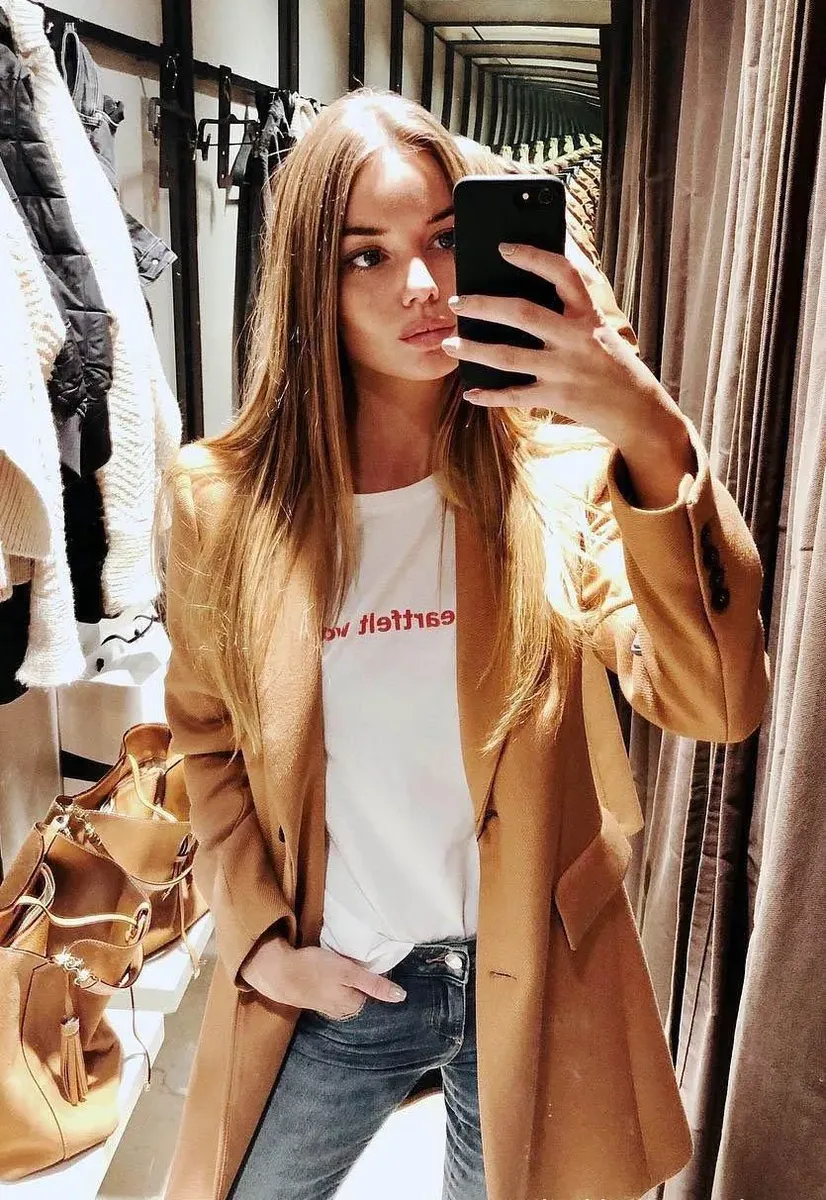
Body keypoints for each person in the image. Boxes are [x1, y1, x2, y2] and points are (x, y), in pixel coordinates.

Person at [160, 90, 770, 1200]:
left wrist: (646, 427)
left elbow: (716, 703)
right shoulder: (224, 505)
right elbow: (208, 743)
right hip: (343, 980)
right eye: (366, 255)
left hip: (532, 971)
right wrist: (260, 945)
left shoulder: (560, 482)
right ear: (310, 285)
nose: (421, 286)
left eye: (446, 238)